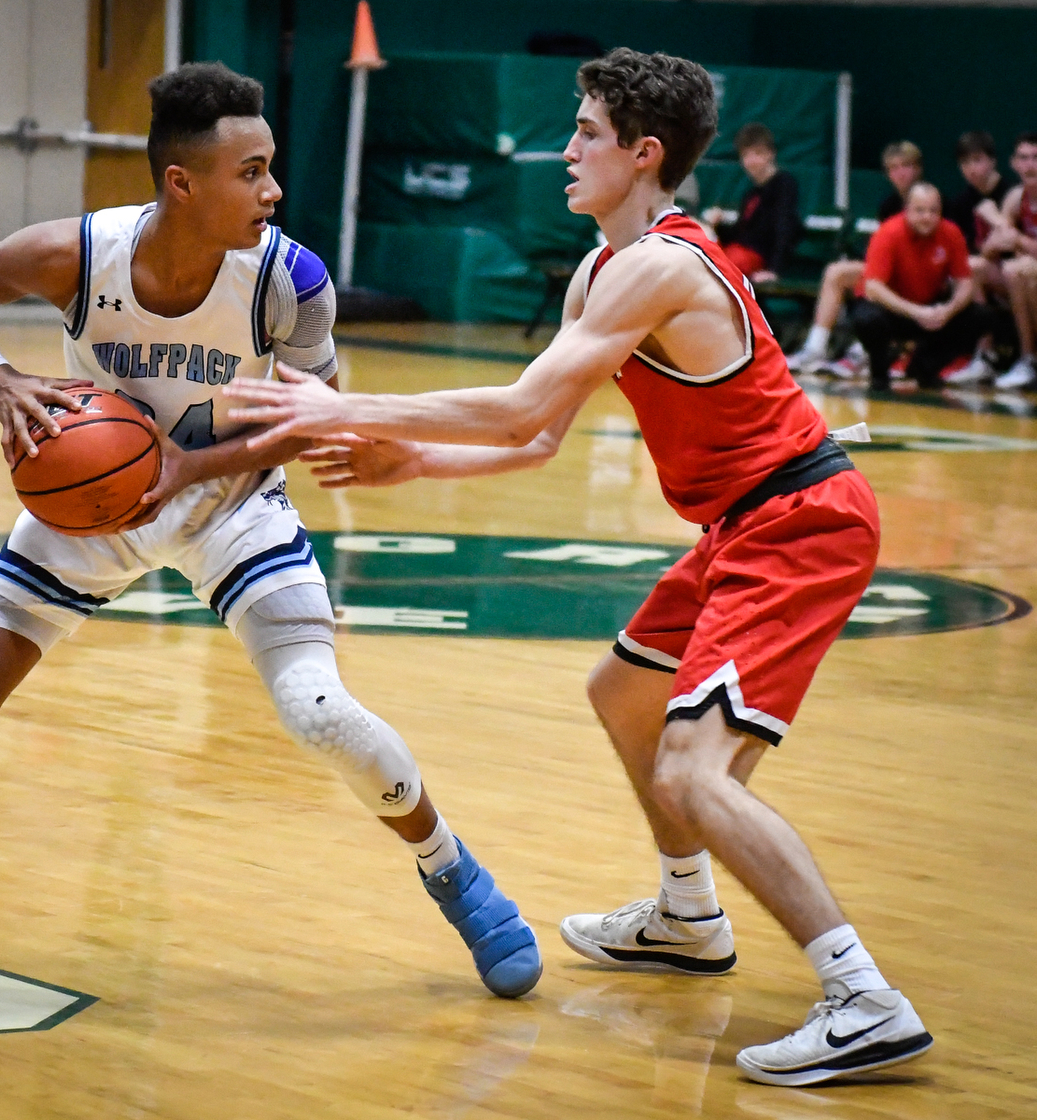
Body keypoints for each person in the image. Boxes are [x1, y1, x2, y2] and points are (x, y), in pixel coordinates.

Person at [227, 47, 932, 1088]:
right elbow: (537, 438)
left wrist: (344, 406)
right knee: (621, 693)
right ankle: (686, 913)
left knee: (691, 770)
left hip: (798, 520)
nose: (564, 150)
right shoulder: (605, 269)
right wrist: (413, 459)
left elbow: (514, 405)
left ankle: (859, 995)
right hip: (741, 525)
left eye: (587, 133)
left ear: (643, 155)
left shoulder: (660, 265)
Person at [0, 63, 541, 1003]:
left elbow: (315, 413)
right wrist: (0, 378)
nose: (274, 190)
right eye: (251, 171)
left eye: (272, 167)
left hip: (232, 503)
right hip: (96, 507)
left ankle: (452, 871)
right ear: (180, 182)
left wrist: (187, 468)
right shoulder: (79, 255)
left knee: (319, 711)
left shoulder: (291, 277)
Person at [787, 141, 924, 374]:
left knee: (875, 283)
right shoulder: (889, 205)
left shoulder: (928, 201)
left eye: (906, 166)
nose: (900, 172)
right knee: (836, 272)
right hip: (888, 271)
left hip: (920, 274)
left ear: (918, 169)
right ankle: (815, 348)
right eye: (894, 167)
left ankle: (863, 351)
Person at [849, 182, 988, 392]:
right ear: (907, 209)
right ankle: (879, 373)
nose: (927, 217)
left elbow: (965, 283)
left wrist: (948, 310)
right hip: (893, 309)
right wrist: (916, 312)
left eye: (933, 211)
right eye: (920, 210)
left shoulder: (951, 233)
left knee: (980, 317)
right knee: (867, 319)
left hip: (930, 307)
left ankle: (924, 368)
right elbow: (873, 288)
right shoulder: (888, 232)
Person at [943, 131, 1015, 385]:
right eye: (965, 163)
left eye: (977, 160)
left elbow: (1011, 244)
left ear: (993, 160)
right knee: (968, 268)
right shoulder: (961, 203)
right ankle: (981, 354)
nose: (971, 169)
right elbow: (965, 255)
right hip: (986, 279)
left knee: (979, 268)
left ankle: (986, 353)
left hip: (1014, 276)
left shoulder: (1012, 195)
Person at [702, 122, 800, 285]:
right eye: (746, 155)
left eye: (757, 154)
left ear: (771, 154)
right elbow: (742, 233)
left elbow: (784, 228)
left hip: (755, 257)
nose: (751, 161)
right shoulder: (751, 194)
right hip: (738, 253)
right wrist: (717, 226)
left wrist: (774, 270)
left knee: (719, 267)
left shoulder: (784, 185)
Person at [985, 133, 1037, 389]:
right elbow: (990, 249)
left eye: (1036, 158)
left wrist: (1014, 238)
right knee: (975, 268)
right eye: (1024, 158)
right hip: (1025, 277)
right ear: (1014, 164)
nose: (1030, 165)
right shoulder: (1016, 198)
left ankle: (1030, 357)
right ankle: (984, 356)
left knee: (1019, 270)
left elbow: (1013, 239)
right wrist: (994, 240)